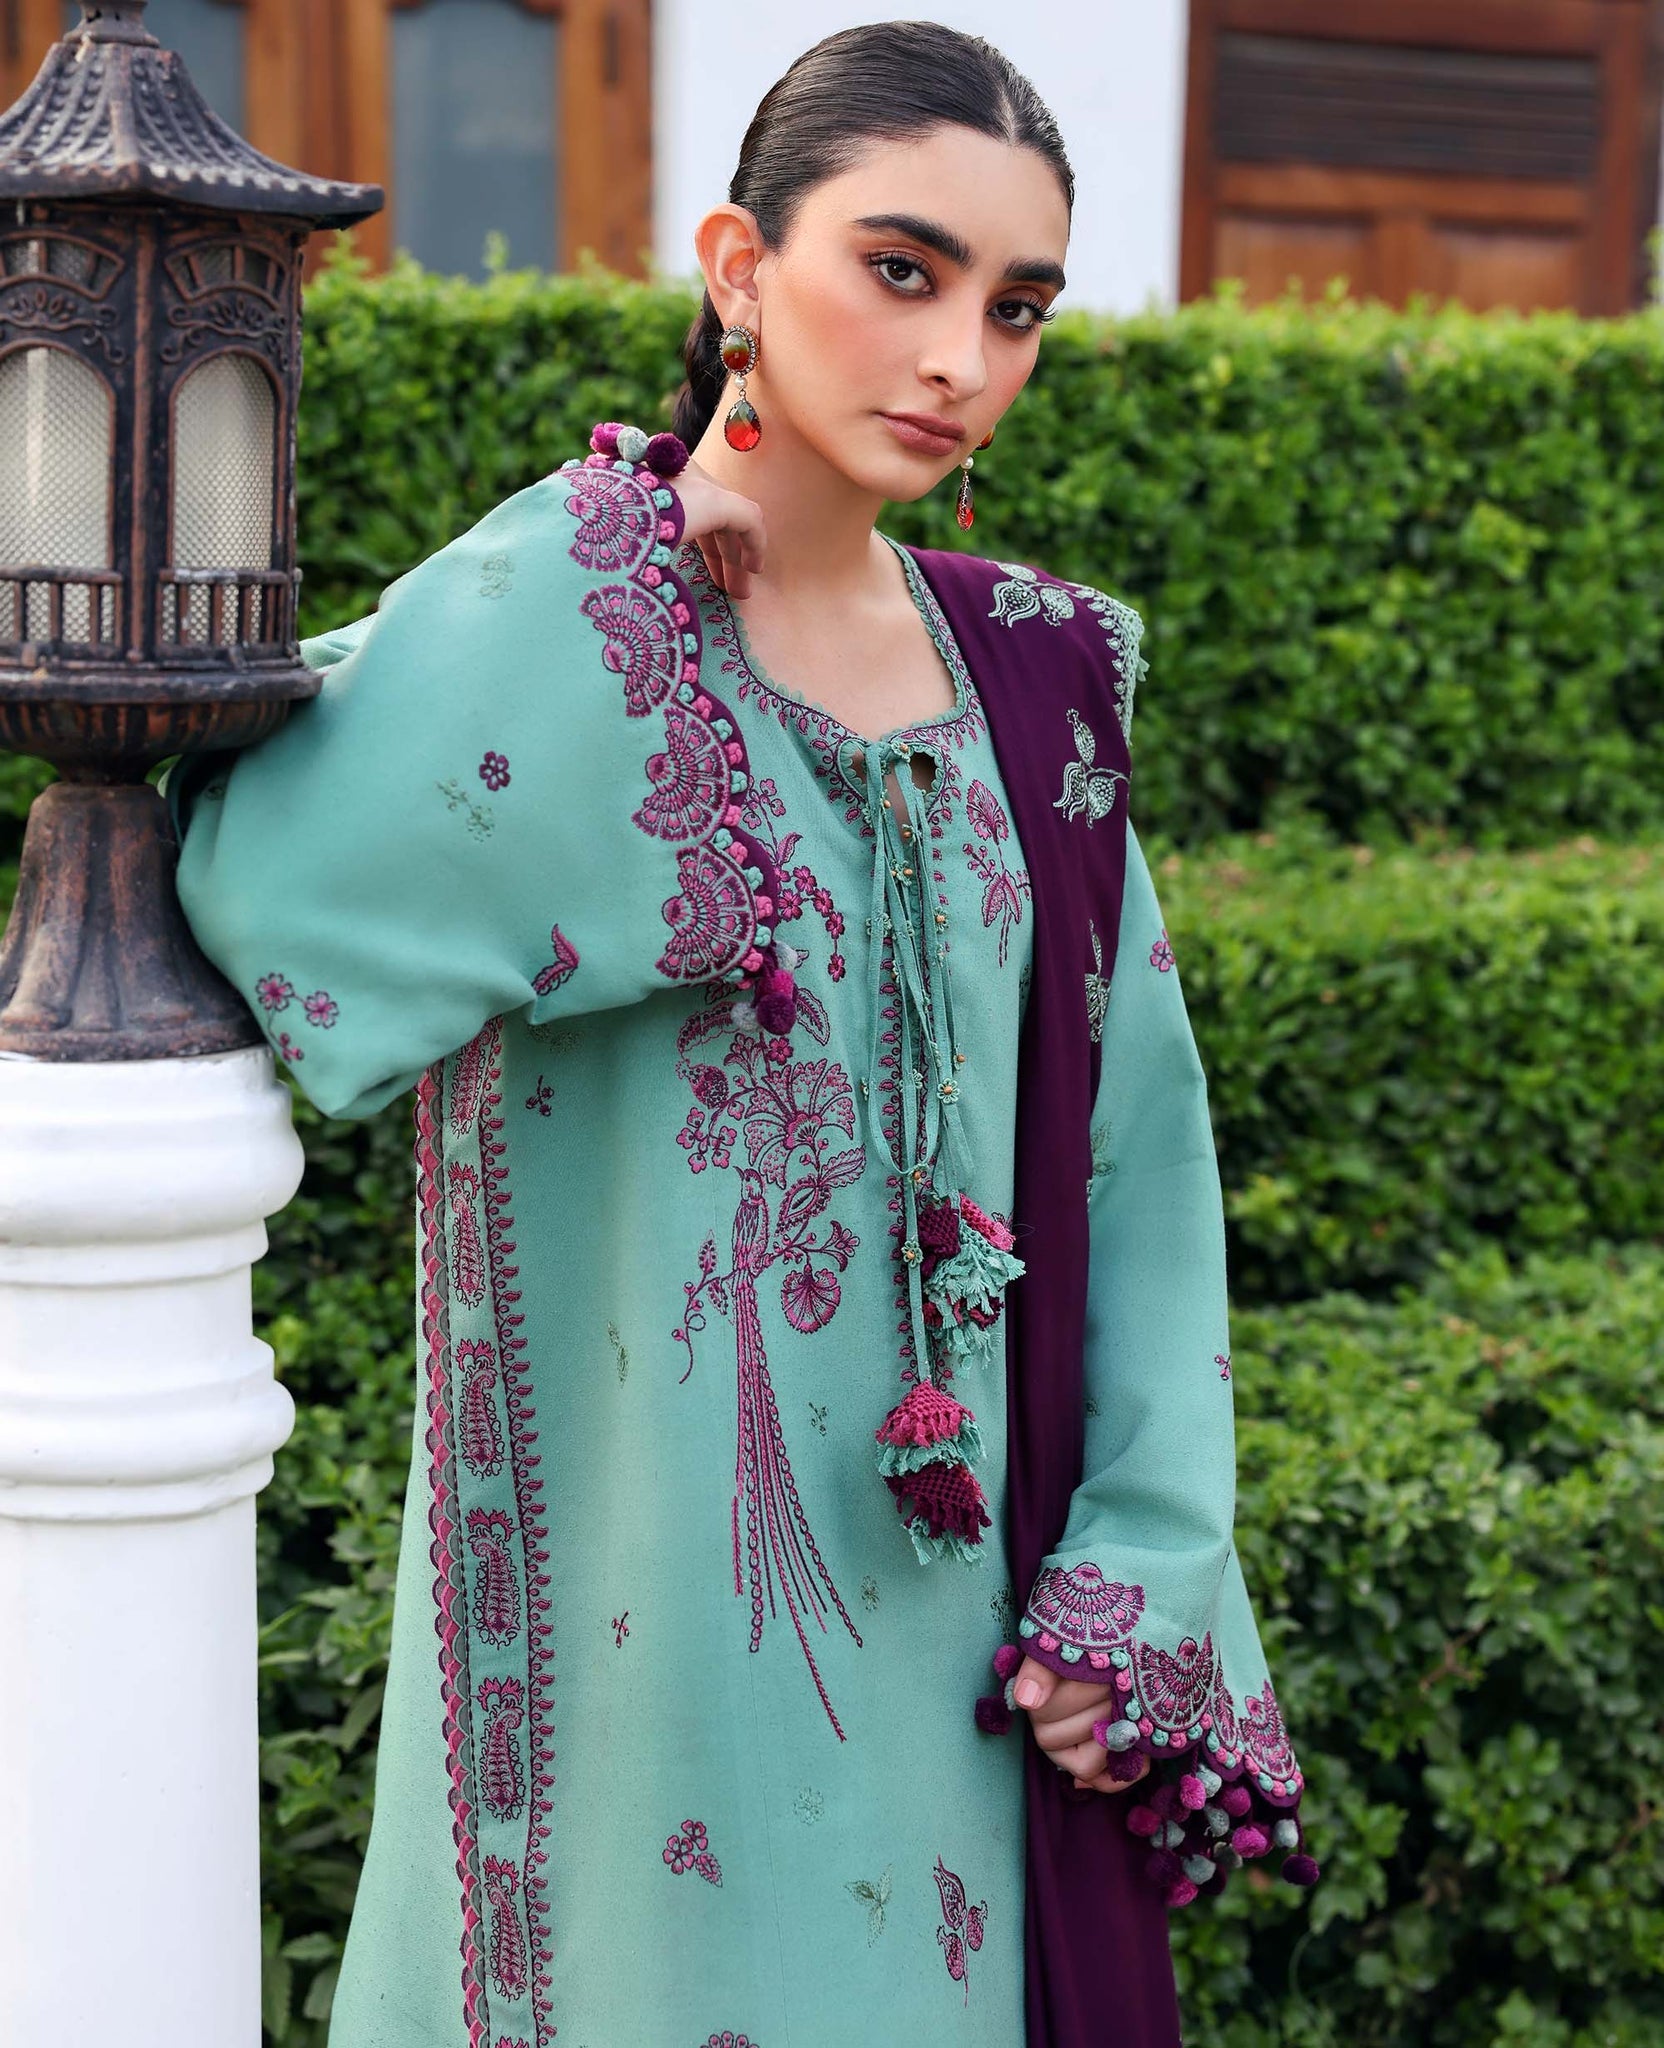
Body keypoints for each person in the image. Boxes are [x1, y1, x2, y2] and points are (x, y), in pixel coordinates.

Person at [169, 23, 1312, 2048]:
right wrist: (600, 562)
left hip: (973, 1657)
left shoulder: (1034, 681)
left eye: (1015, 306)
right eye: (902, 268)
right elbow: (257, 890)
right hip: (634, 1659)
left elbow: (1139, 1156)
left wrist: (1138, 1564)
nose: (958, 357)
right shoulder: (579, 631)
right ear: (735, 266)